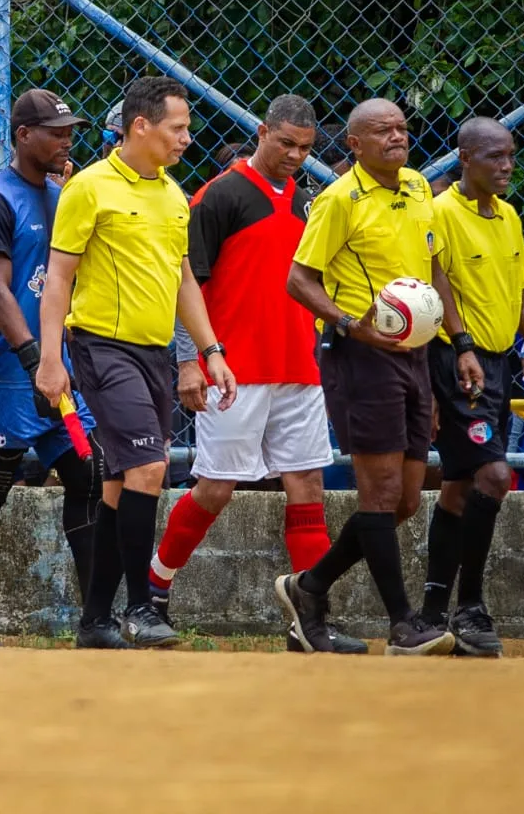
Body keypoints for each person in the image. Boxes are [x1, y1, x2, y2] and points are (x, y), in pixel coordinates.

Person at [149, 95, 366, 655]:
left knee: (307, 485)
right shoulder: (218, 195)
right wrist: (190, 361)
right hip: (233, 368)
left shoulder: (309, 203)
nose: (295, 155)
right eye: (285, 142)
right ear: (262, 132)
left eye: (305, 148)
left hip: (298, 363)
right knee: (216, 488)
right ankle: (152, 595)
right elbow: (187, 284)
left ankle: (308, 622)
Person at [34, 77, 237, 650]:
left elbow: (183, 281)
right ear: (140, 126)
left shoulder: (174, 196)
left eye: (188, 130)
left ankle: (95, 620)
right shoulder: (90, 188)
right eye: (178, 128)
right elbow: (58, 280)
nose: (186, 140)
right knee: (151, 467)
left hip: (152, 353)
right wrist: (52, 359)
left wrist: (210, 351)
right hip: (102, 346)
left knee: (122, 485)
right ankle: (142, 609)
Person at [281, 97, 478, 655]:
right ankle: (404, 624)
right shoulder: (339, 200)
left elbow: (433, 266)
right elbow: (299, 280)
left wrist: (458, 341)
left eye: (402, 129)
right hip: (362, 356)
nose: (397, 137)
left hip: (416, 353)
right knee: (381, 490)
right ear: (354, 144)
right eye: (383, 131)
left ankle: (309, 587)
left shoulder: (419, 187)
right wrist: (351, 324)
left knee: (407, 499)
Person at [421, 118, 524, 656]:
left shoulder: (509, 217)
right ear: (465, 158)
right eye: (494, 156)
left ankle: (431, 610)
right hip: (456, 360)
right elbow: (436, 287)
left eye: (510, 155)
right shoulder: (441, 213)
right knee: (493, 475)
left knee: (460, 486)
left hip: (499, 364)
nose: (507, 165)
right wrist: (460, 344)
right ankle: (470, 607)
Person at [0, 89, 98, 648]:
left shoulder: (64, 196)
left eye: (69, 131)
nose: (66, 140)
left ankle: (95, 619)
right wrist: (36, 359)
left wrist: (58, 363)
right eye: (56, 132)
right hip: (10, 374)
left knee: (88, 476)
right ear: (22, 136)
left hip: (57, 373)